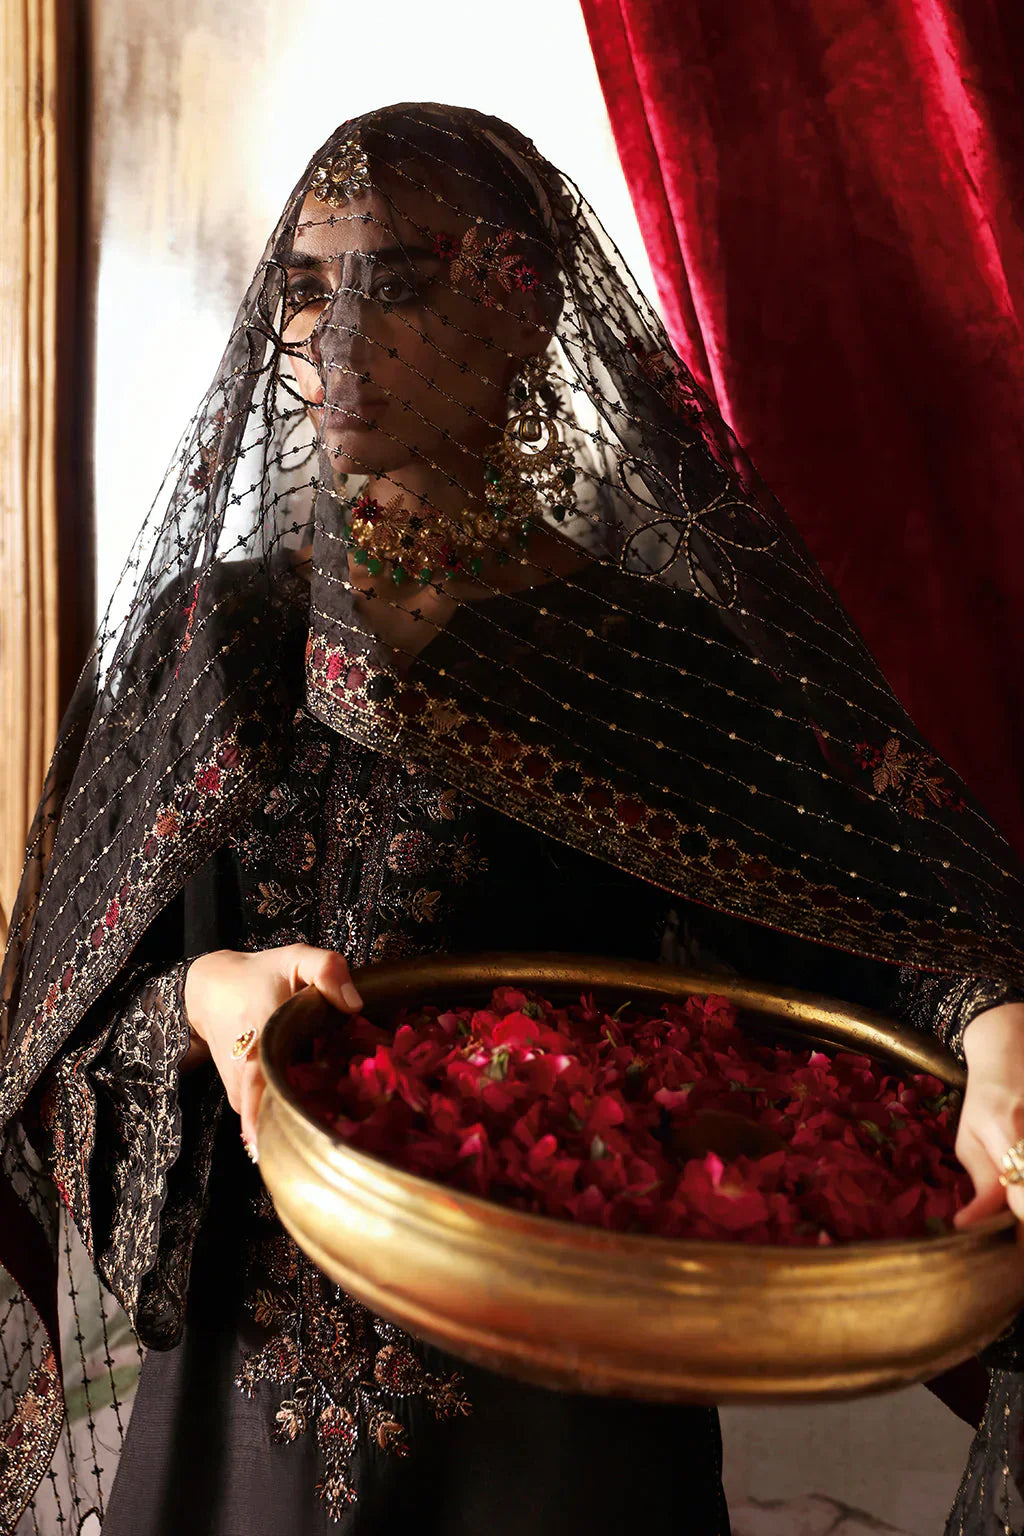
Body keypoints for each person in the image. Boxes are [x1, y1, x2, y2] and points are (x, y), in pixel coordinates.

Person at [3, 102, 1024, 1536]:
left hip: (558, 1402)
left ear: (523, 309)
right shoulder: (214, 642)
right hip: (238, 1417)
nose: (335, 335)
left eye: (395, 283)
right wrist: (205, 1000)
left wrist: (997, 1026)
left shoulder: (651, 663)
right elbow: (47, 1034)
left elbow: (883, 936)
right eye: (305, 287)